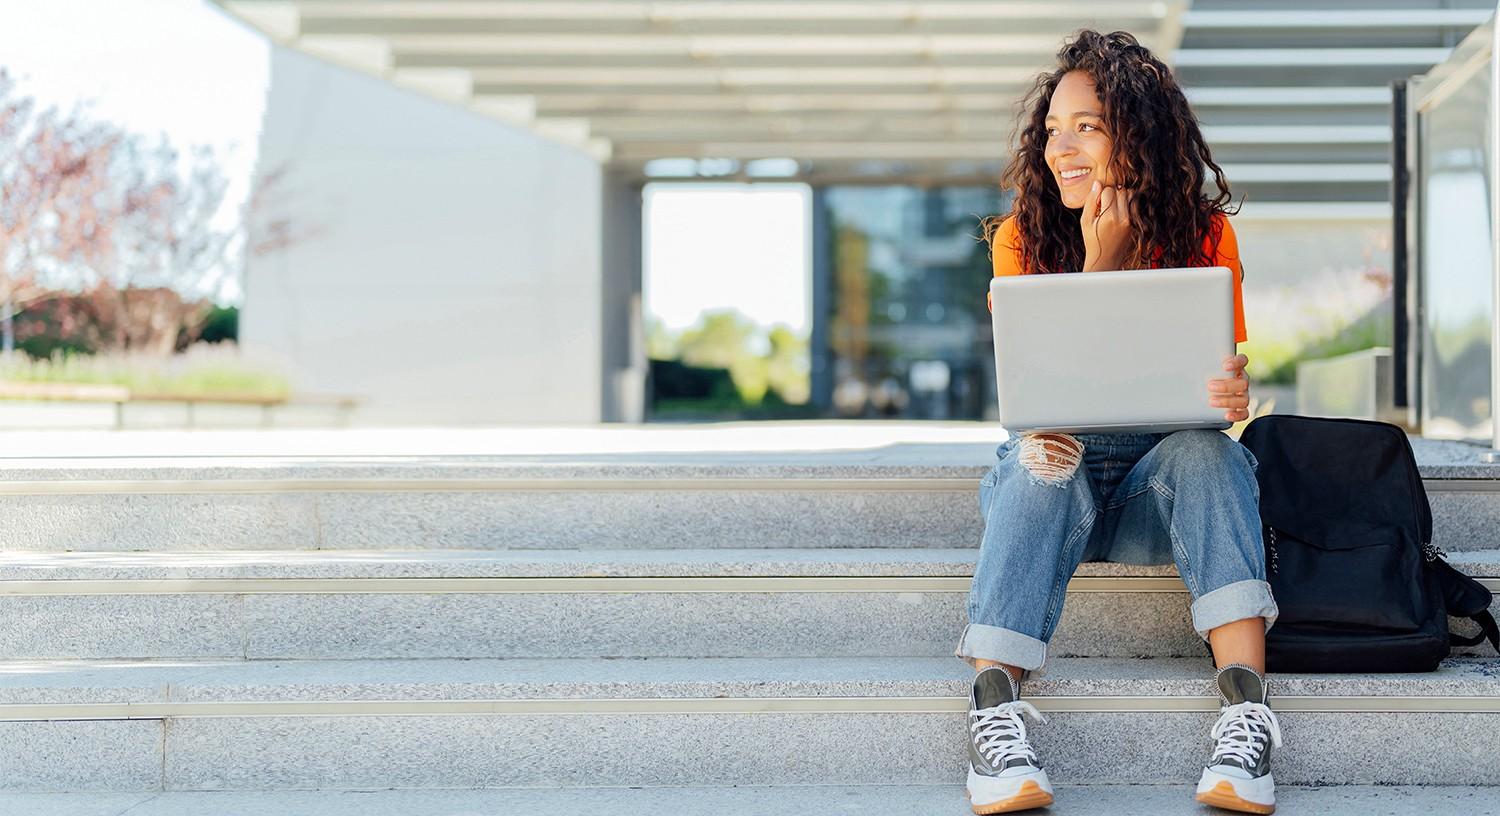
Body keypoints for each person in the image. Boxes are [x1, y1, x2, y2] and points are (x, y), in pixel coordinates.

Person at [959, 30, 1282, 815]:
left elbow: (1215, 379)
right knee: (1041, 454)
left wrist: (1230, 392)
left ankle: (1247, 720)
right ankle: (994, 718)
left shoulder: (1207, 236)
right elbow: (1044, 397)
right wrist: (1099, 263)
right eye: (1051, 131)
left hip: (1153, 498)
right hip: (1052, 493)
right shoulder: (1021, 239)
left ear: (1137, 135)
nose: (1059, 149)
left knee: (1208, 452)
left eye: (1087, 127)